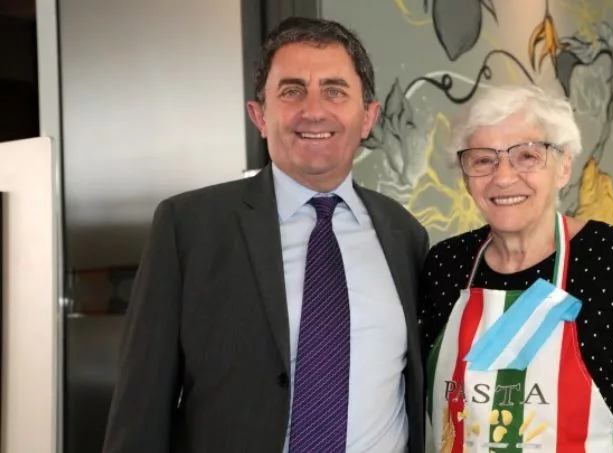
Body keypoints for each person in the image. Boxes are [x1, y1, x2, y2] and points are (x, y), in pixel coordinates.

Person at [102, 17, 429, 453]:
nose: (314, 110)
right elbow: (140, 406)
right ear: (259, 115)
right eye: (292, 91)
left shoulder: (405, 235)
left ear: (368, 116)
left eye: (335, 91)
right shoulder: (189, 227)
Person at [420, 85, 613, 452]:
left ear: (563, 167)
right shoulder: (446, 265)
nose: (503, 177)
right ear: (466, 176)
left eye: (527, 156)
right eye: (483, 160)